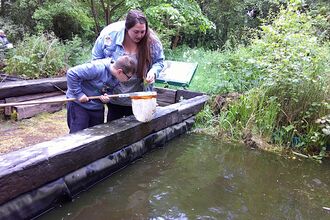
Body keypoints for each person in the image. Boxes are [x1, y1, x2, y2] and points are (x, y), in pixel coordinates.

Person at [92, 9, 164, 122]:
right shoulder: (108, 37)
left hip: (139, 97)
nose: (140, 35)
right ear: (127, 28)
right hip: (114, 95)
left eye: (143, 31)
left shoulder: (152, 42)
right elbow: (96, 62)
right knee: (114, 128)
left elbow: (159, 62)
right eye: (136, 32)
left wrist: (153, 72)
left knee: (137, 128)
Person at [66, 55, 137, 133]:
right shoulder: (97, 68)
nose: (128, 80)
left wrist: (107, 97)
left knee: (97, 135)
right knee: (78, 135)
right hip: (79, 105)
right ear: (119, 71)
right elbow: (71, 73)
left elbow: (108, 89)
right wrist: (79, 94)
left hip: (96, 107)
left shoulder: (116, 78)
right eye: (128, 77)